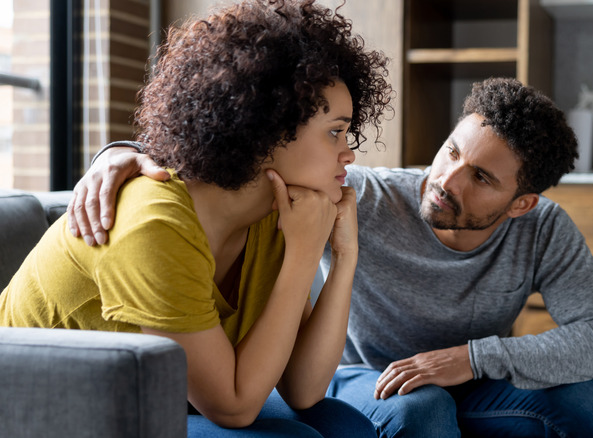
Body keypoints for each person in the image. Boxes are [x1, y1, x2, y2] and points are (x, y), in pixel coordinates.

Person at [68, 78, 593, 437]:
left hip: (467, 379)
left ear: (522, 203)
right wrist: (123, 153)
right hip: (353, 378)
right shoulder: (363, 194)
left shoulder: (544, 231)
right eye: (450, 152)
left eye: (481, 178)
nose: (446, 180)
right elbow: (241, 158)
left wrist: (471, 358)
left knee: (588, 401)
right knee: (423, 410)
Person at [0, 1, 392, 437]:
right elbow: (235, 407)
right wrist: (302, 254)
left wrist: (344, 256)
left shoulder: (275, 213)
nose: (349, 153)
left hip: (153, 396)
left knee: (345, 426)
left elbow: (303, 388)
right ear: (264, 127)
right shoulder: (154, 222)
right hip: (41, 409)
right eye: (334, 131)